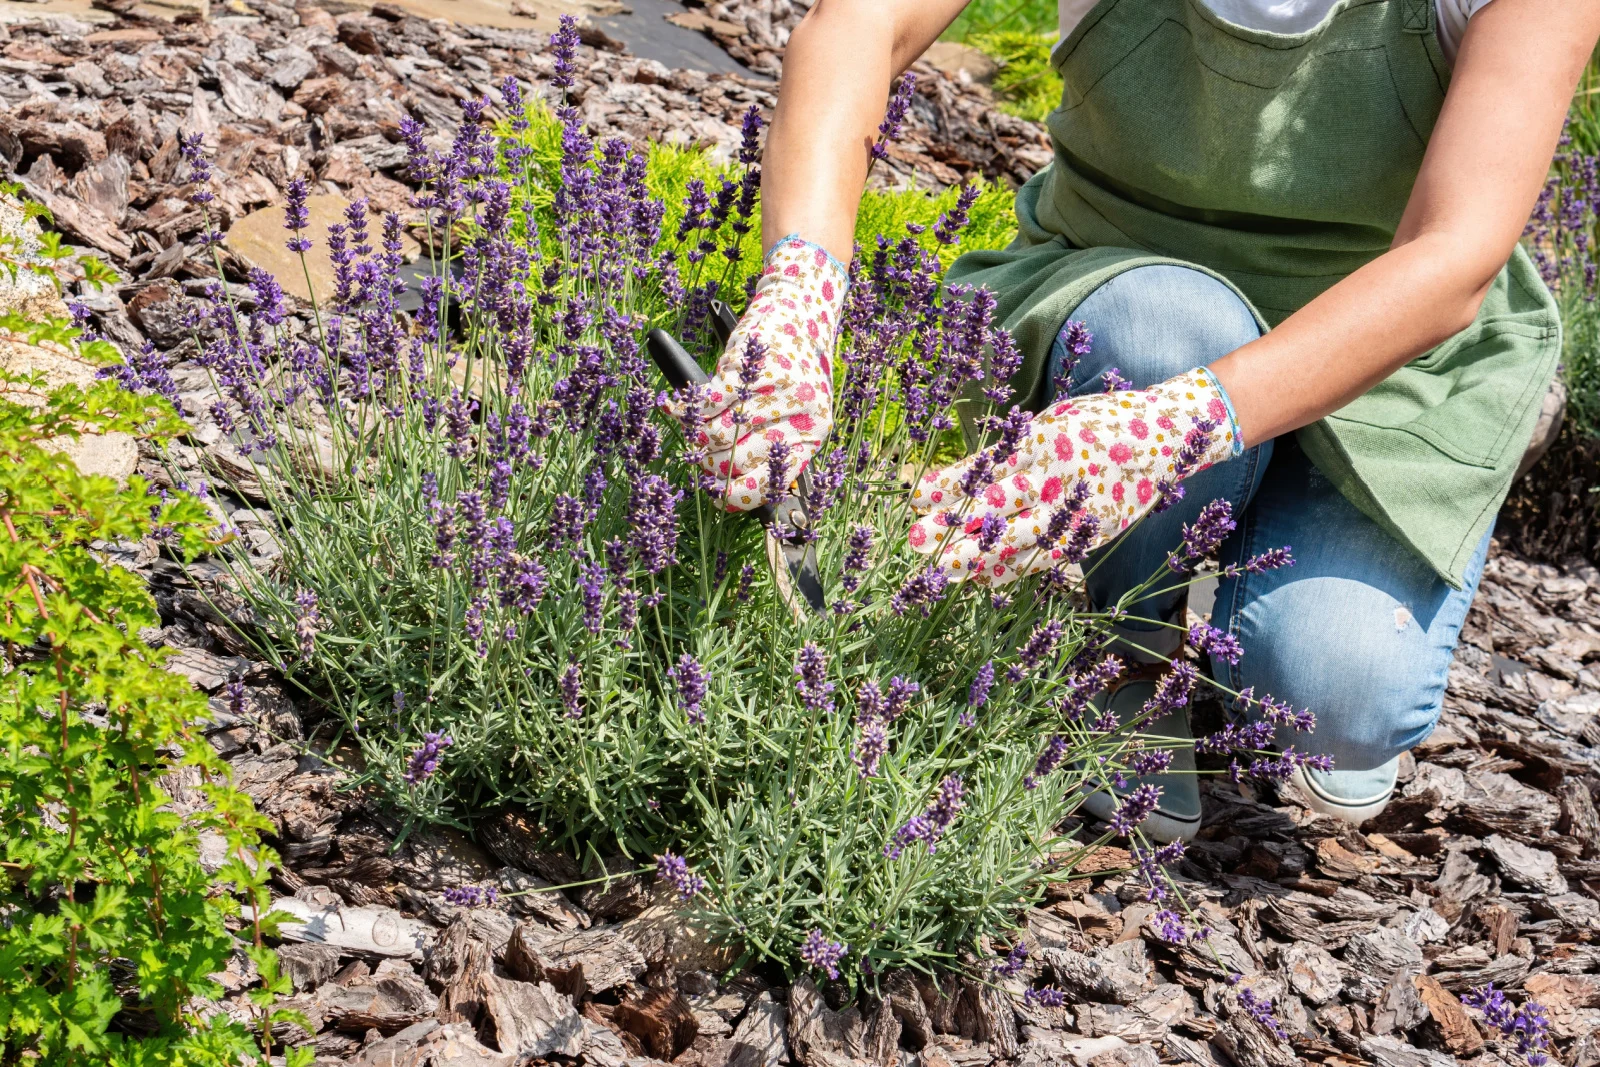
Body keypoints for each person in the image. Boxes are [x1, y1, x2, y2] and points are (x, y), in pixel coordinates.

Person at [679, 0, 1600, 841]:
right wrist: (798, 292)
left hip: (1387, 355)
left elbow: (1453, 254)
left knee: (1334, 699)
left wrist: (1177, 425)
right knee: (1169, 325)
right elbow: (857, 29)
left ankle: (1274, 512)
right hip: (1133, 297)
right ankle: (1122, 641)